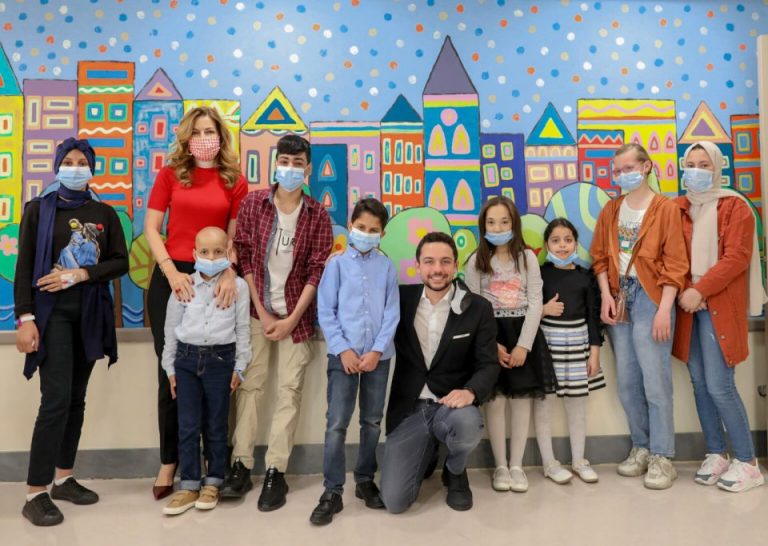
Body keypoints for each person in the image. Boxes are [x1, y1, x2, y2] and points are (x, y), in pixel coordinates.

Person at [14, 138, 129, 526]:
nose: (76, 167)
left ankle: (63, 478)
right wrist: (25, 318)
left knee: (76, 399)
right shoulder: (38, 210)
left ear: (92, 168)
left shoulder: (104, 213)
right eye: (70, 161)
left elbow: (120, 263)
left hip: (90, 316)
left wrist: (81, 274)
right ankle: (35, 491)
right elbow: (25, 267)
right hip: (52, 317)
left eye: (83, 162)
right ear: (57, 165)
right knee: (56, 399)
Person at [224, 134, 333, 511]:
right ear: (275, 164)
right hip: (257, 312)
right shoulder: (254, 204)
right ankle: (240, 465)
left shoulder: (318, 215)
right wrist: (264, 310)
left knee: (289, 391)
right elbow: (245, 257)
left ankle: (276, 471)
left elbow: (317, 271)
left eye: (297, 163)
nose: (290, 168)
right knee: (250, 386)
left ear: (308, 168)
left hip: (297, 320)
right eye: (284, 161)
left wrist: (291, 319)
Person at [145, 106, 247, 500]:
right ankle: (170, 459)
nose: (205, 138)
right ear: (187, 138)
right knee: (172, 371)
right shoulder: (170, 174)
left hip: (216, 274)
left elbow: (233, 237)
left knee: (217, 369)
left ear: (221, 136)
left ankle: (212, 464)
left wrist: (229, 272)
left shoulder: (234, 179)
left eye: (211, 131)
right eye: (198, 131)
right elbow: (152, 228)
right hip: (173, 275)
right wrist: (171, 272)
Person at [590, 143, 688, 490]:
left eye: (628, 168)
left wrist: (664, 308)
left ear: (646, 166)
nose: (621, 175)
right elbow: (600, 257)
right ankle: (642, 446)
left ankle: (663, 456)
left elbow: (676, 262)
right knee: (628, 382)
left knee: (655, 381)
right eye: (617, 170)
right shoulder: (612, 209)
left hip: (651, 297)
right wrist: (606, 294)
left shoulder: (665, 208)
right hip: (620, 296)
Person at [379, 232, 499, 513]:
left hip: (450, 406)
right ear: (417, 265)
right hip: (409, 409)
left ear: (455, 265)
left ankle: (455, 469)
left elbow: (489, 364)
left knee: (468, 424)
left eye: (445, 261)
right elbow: (363, 297)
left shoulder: (478, 308)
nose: (437, 269)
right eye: (429, 261)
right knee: (395, 502)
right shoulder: (400, 299)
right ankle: (428, 451)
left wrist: (470, 391)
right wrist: (341, 260)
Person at [672, 142, 766, 493]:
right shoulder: (678, 207)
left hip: (717, 305)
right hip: (688, 307)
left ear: (717, 168)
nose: (696, 170)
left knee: (720, 385)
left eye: (704, 164)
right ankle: (717, 453)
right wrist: (687, 292)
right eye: (691, 163)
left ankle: (748, 462)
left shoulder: (735, 206)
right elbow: (671, 255)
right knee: (699, 382)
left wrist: (700, 290)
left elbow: (736, 257)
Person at [464, 196, 569, 493]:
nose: (498, 228)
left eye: (504, 222)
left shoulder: (527, 259)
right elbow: (473, 307)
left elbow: (535, 302)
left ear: (514, 224)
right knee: (495, 401)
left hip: (524, 333)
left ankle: (517, 465)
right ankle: (500, 466)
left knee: (521, 401)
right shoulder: (476, 260)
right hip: (491, 336)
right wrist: (491, 346)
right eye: (491, 222)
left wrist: (524, 345)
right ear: (483, 226)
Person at [309, 198, 399, 525]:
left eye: (373, 230)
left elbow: (391, 313)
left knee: (372, 421)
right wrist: (342, 349)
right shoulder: (336, 265)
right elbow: (325, 310)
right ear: (351, 226)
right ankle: (332, 490)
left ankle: (364, 479)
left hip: (378, 357)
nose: (366, 233)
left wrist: (376, 350)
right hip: (342, 356)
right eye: (361, 227)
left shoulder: (387, 267)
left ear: (382, 234)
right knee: (336, 423)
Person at [160, 227, 252, 515]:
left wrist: (240, 366)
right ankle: (188, 485)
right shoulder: (183, 285)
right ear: (194, 254)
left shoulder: (238, 287)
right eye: (204, 252)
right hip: (186, 361)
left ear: (228, 253)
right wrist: (170, 369)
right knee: (187, 425)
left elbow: (243, 329)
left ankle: (213, 482)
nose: (211, 258)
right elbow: (170, 331)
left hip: (221, 361)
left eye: (218, 252)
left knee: (216, 424)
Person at [540, 218, 605, 483]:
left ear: (576, 243)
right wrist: (544, 309)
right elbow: (528, 309)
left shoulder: (585, 276)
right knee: (544, 406)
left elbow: (593, 317)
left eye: (568, 240)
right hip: (547, 344)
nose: (562, 245)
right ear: (547, 245)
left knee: (576, 407)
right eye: (555, 240)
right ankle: (549, 462)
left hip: (578, 344)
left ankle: (579, 460)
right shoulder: (540, 275)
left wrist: (595, 352)